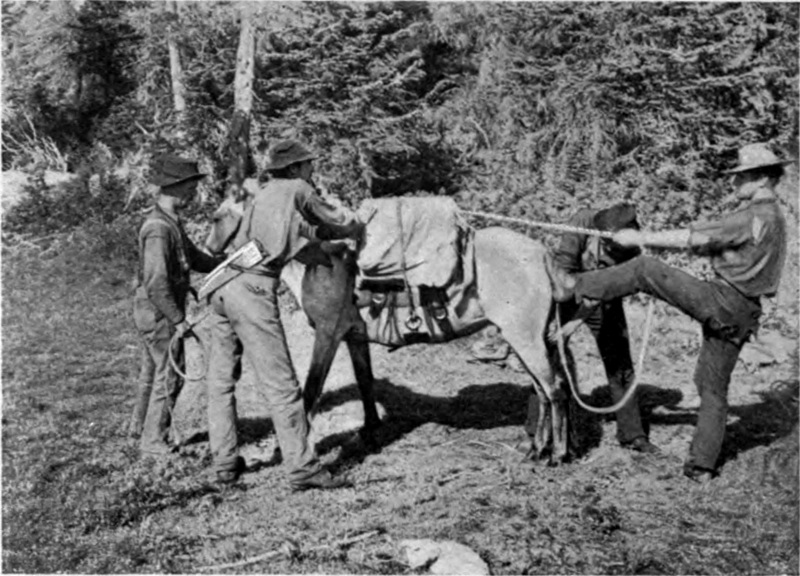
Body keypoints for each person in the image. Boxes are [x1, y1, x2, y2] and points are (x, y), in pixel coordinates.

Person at [550, 143, 789, 482]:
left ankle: (572, 285)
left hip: (723, 300)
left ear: (762, 178)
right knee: (711, 387)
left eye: (740, 177)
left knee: (644, 268)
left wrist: (640, 238)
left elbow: (691, 237)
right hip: (744, 314)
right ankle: (701, 466)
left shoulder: (751, 216)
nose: (733, 183)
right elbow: (722, 248)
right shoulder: (776, 219)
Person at [204, 139, 363, 489]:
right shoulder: (297, 189)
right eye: (308, 164)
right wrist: (357, 223)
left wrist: (323, 238)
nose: (312, 170)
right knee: (283, 386)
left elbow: (302, 235)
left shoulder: (262, 193)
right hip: (252, 290)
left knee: (221, 382)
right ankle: (303, 469)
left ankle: (225, 463)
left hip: (222, 285)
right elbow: (337, 218)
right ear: (294, 169)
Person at [533, 203, 659, 454]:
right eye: (608, 245)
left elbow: (603, 291)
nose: (610, 250)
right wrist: (558, 321)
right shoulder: (582, 221)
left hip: (603, 299)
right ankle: (537, 429)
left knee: (620, 366)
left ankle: (632, 434)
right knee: (545, 356)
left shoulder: (632, 250)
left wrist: (572, 325)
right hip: (566, 291)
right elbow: (563, 271)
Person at [130, 154, 222, 456]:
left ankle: (138, 428)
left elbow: (194, 258)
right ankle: (153, 440)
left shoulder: (170, 222)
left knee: (152, 370)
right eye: (191, 188)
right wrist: (178, 319)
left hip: (154, 309)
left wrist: (226, 263)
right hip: (158, 311)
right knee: (170, 373)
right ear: (177, 187)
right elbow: (156, 282)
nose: (194, 193)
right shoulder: (159, 228)